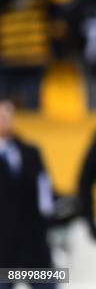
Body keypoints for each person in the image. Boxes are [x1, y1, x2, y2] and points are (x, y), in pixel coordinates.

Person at [0, 97, 55, 289]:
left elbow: (44, 192)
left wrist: (47, 222)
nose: (4, 120)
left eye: (7, 115)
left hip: (33, 244)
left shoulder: (30, 152)